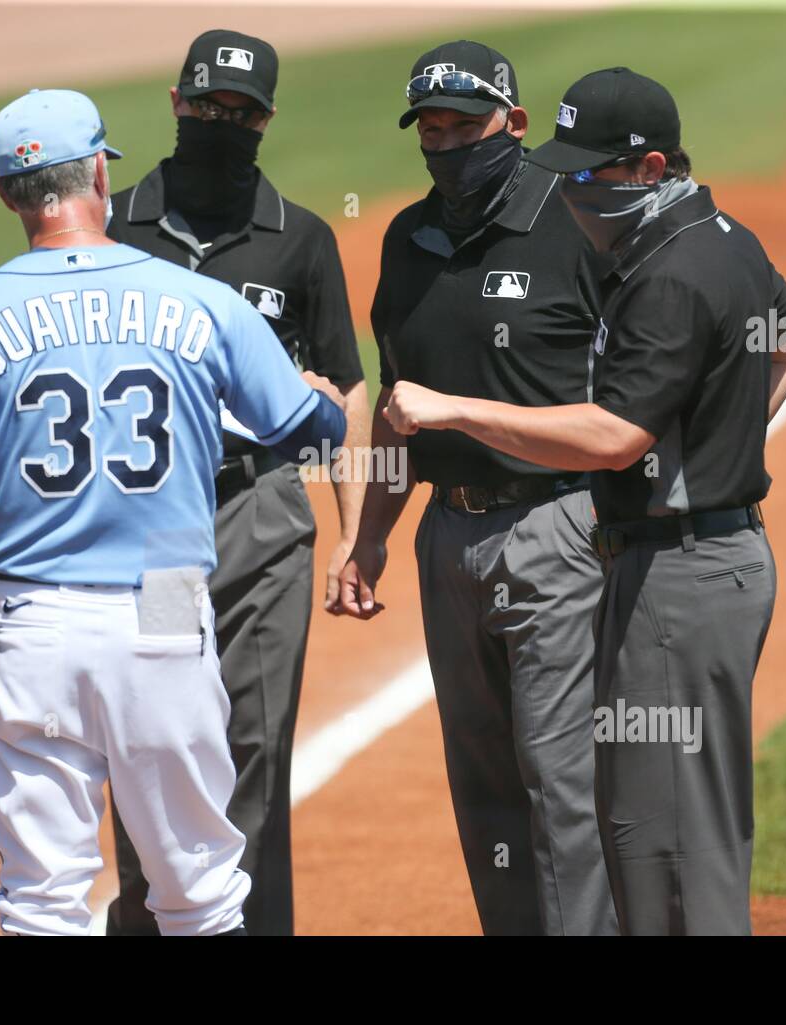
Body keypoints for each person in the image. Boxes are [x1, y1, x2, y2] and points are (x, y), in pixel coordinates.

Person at [0, 88, 347, 936]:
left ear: (6, 195)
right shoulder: (204, 302)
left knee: (42, 899)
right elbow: (308, 437)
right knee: (203, 890)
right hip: (166, 600)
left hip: (29, 614)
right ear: (100, 173)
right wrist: (323, 403)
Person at [381, 67, 786, 935]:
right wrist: (715, 447)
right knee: (668, 834)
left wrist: (456, 408)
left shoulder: (670, 272)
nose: (570, 190)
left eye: (587, 175)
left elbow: (616, 437)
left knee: (663, 842)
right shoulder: (717, 235)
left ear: (651, 168)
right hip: (683, 552)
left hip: (675, 574)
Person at [337, 40, 617, 935]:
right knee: (485, 780)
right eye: (432, 128)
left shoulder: (579, 222)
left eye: (466, 125)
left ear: (516, 123)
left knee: (563, 780)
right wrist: (371, 533)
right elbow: (397, 407)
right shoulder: (408, 238)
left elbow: (656, 370)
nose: (448, 144)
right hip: (447, 544)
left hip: (559, 530)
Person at [105, 29, 368, 936]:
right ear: (175, 102)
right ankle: (147, 917)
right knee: (150, 737)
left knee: (253, 743)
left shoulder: (300, 239)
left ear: (266, 120)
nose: (223, 122)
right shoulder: (116, 228)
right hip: (150, 536)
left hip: (258, 517)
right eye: (207, 106)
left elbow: (347, 383)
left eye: (242, 112)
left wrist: (351, 535)